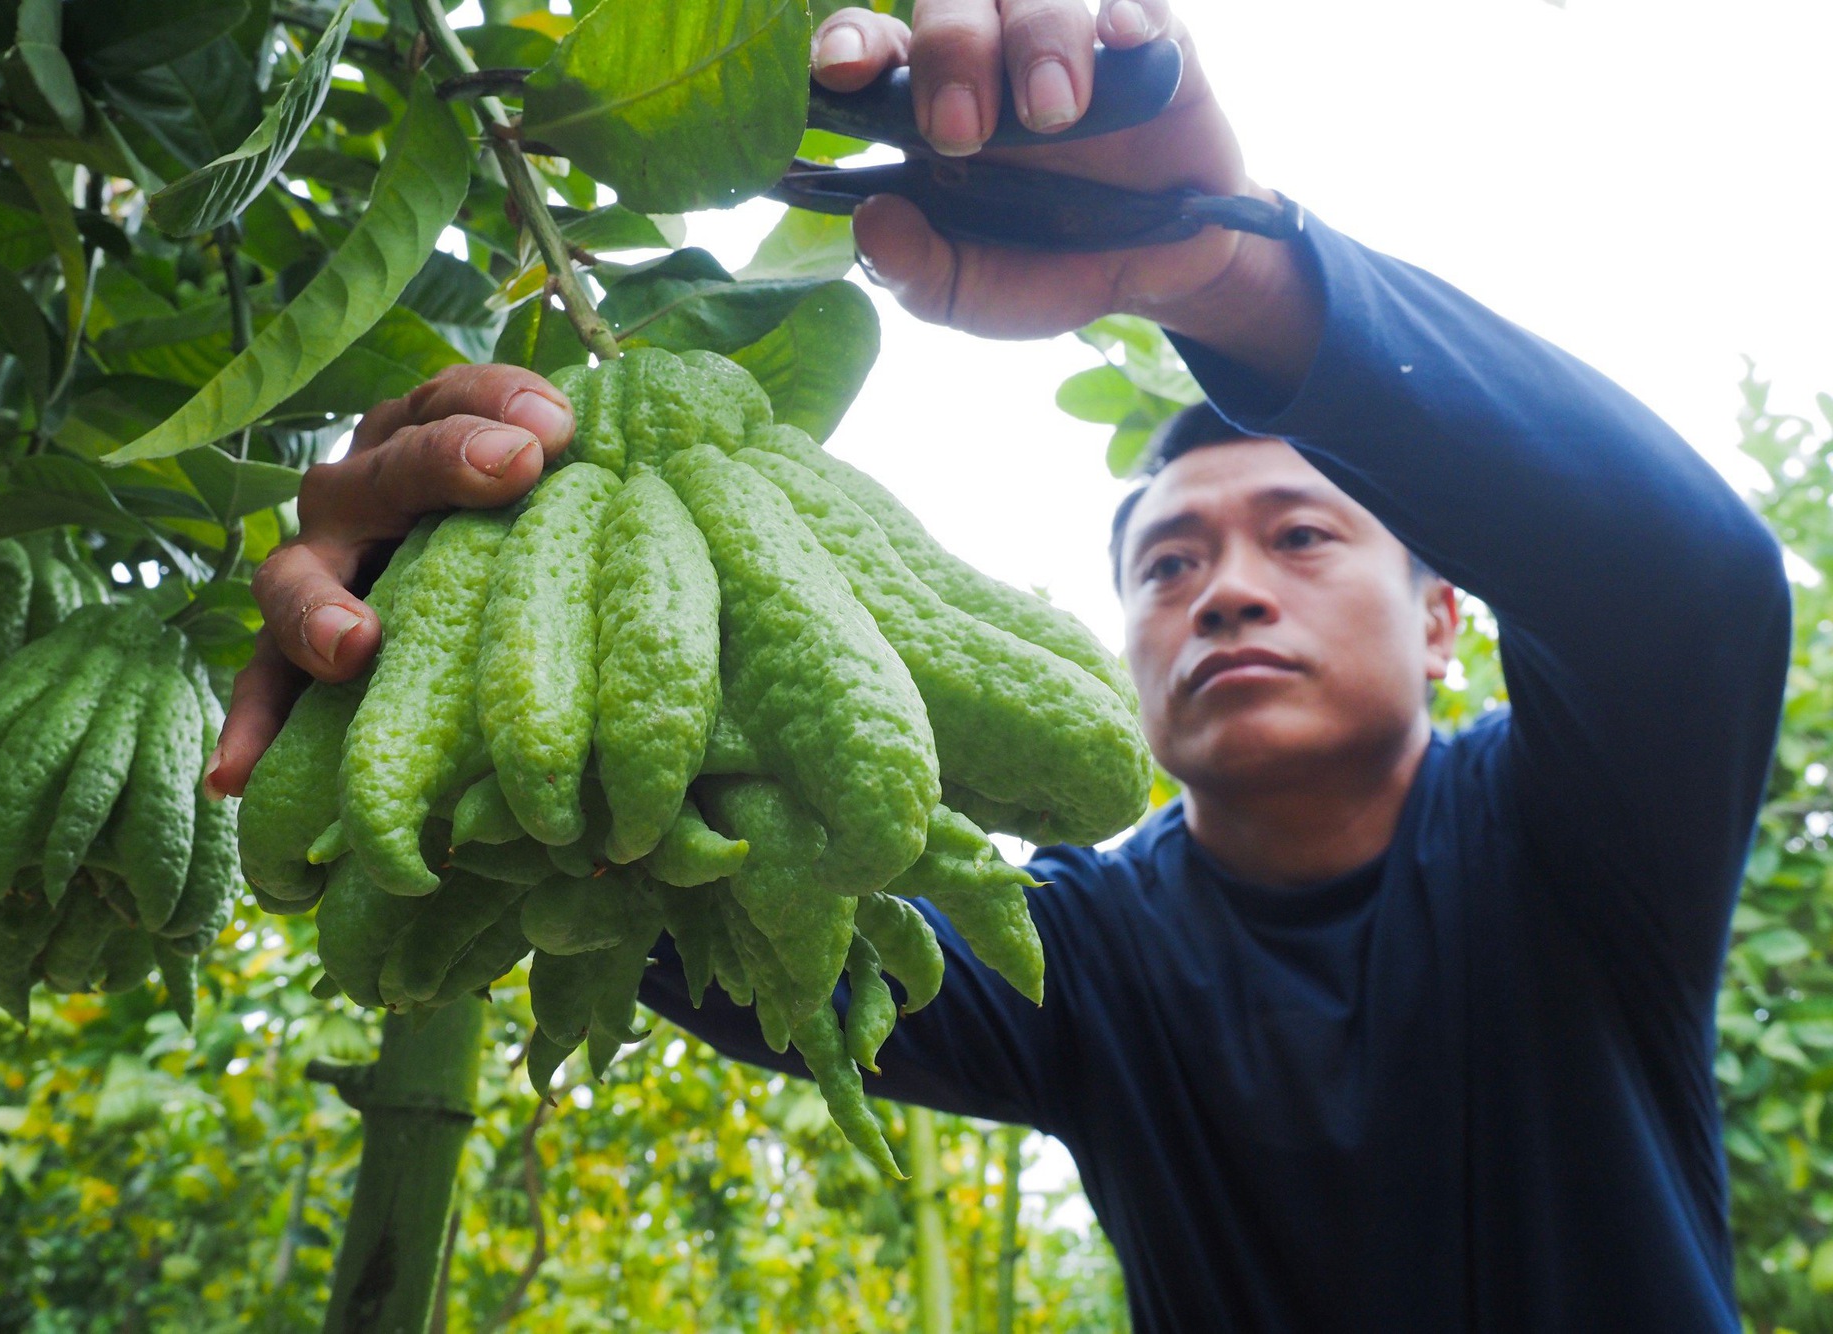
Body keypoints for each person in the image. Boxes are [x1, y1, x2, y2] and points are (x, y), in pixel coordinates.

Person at [207, 3, 1791, 1328]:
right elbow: (685, 874)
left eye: (1302, 538)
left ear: (1446, 616)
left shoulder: (1574, 845)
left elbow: (1689, 591)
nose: (1225, 591)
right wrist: (442, 620)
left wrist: (1216, 270)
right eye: (1169, 563)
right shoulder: (1088, 952)